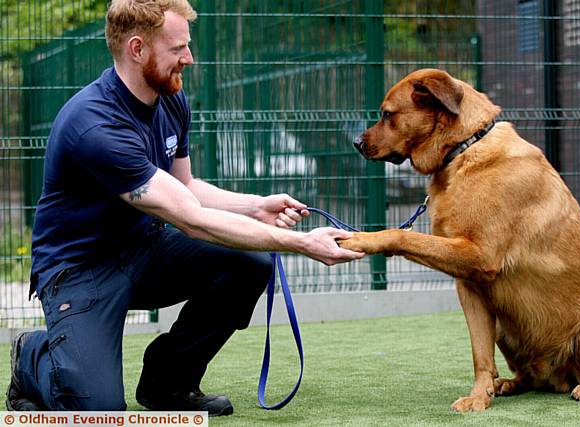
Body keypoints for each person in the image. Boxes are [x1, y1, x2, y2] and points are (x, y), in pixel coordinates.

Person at [6, 0, 364, 416]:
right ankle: (32, 356)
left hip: (143, 251)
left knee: (249, 264)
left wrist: (255, 206)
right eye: (177, 49)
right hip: (80, 269)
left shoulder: (171, 100)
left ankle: (168, 385)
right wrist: (302, 243)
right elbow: (192, 220)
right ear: (137, 49)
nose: (189, 59)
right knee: (99, 411)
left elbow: (185, 187)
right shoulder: (95, 126)